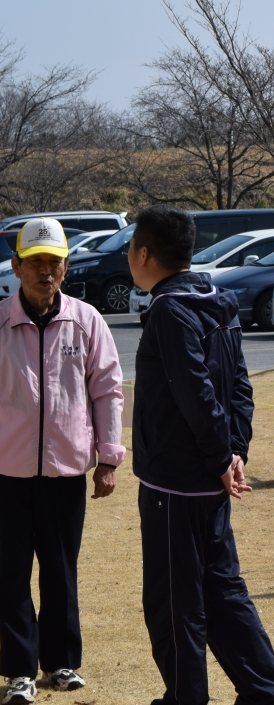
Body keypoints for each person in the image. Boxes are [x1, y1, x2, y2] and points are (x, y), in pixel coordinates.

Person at [127, 205, 274, 705]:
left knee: (176, 602)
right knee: (222, 591)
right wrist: (234, 451)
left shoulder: (170, 310)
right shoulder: (218, 301)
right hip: (210, 479)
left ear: (144, 254)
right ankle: (264, 694)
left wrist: (225, 457)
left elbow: (196, 392)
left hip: (175, 485)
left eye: (131, 246)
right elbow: (240, 387)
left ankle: (188, 697)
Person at [0, 218, 123, 705]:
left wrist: (109, 457)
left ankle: (60, 663)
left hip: (66, 472)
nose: (45, 271)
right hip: (6, 474)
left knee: (60, 570)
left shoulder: (87, 320)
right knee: (10, 575)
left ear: (66, 268)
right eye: (35, 262)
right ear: (16, 267)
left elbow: (108, 390)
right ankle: (19, 671)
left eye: (54, 262)